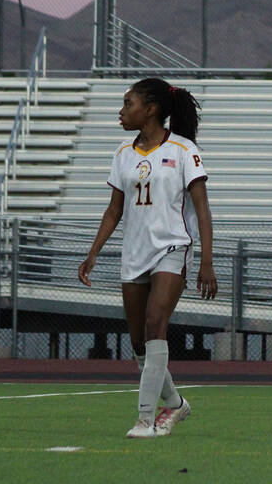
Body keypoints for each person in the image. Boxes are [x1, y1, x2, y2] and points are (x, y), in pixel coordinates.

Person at [78, 78, 217, 438]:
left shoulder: (185, 150)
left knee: (157, 325)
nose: (121, 111)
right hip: (134, 253)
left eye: (128, 104)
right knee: (139, 342)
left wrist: (205, 260)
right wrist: (93, 252)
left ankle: (144, 420)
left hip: (172, 249)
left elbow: (202, 210)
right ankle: (176, 404)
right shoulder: (123, 152)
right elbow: (114, 211)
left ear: (151, 109)